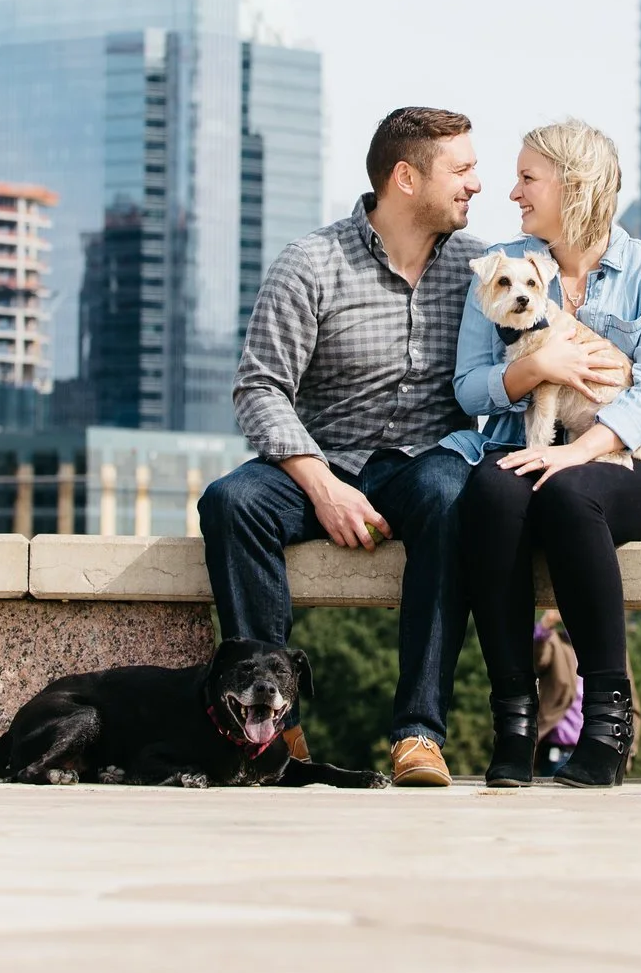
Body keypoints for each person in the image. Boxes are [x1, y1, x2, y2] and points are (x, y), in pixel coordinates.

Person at [198, 106, 486, 787]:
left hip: (427, 461)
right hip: (323, 460)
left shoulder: (484, 271)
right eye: (463, 169)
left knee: (453, 495)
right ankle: (273, 732)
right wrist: (323, 487)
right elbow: (260, 388)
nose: (477, 183)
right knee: (230, 502)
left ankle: (419, 732)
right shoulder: (311, 262)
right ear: (406, 177)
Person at [448, 119, 641, 789]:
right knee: (492, 491)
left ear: (573, 187)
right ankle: (515, 721)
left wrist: (579, 448)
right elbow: (469, 384)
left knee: (569, 490)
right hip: (524, 446)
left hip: (630, 461)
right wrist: (535, 366)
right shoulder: (501, 265)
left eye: (528, 177)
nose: (513, 190)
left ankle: (608, 721)